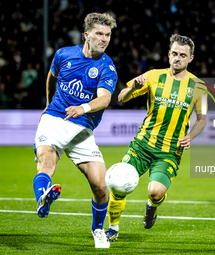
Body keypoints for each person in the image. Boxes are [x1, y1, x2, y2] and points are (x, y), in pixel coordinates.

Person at [105, 34, 207, 241]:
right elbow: (121, 97)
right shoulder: (153, 76)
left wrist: (191, 136)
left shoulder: (199, 87)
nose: (178, 58)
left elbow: (202, 119)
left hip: (169, 151)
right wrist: (133, 88)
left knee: (156, 192)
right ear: (168, 55)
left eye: (183, 55)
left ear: (191, 59)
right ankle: (113, 228)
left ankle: (152, 206)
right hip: (142, 145)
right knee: (118, 185)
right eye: (175, 54)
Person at [32, 12, 117, 248]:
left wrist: (84, 107)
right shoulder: (64, 55)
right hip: (54, 119)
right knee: (47, 162)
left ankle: (98, 230)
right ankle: (43, 197)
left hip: (82, 129)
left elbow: (105, 99)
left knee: (100, 185)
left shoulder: (106, 67)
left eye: (108, 35)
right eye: (99, 34)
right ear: (86, 35)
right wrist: (48, 105)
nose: (104, 39)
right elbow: (51, 77)